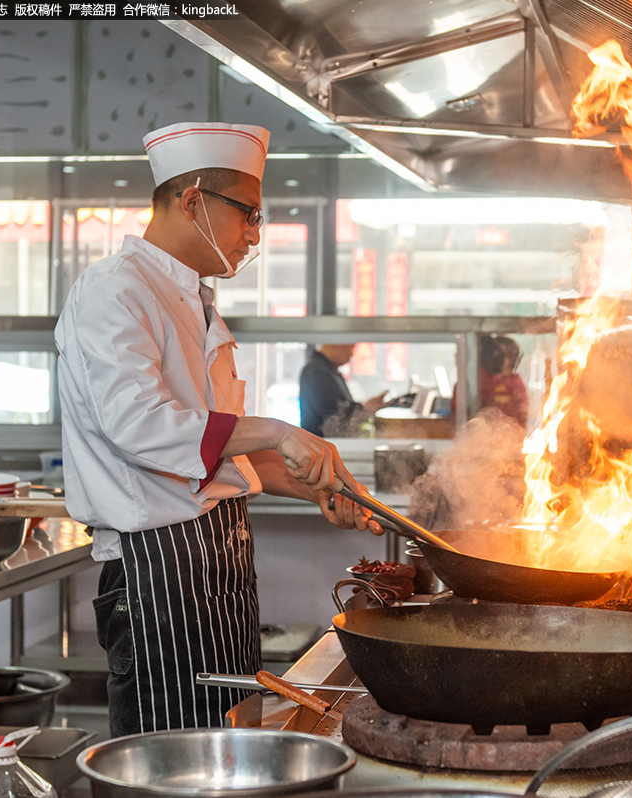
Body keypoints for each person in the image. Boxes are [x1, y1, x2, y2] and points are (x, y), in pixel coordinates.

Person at [55, 122, 381, 738]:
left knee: (228, 743)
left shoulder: (194, 300)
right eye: (249, 214)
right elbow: (140, 425)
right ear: (193, 200)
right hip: (158, 572)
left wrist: (315, 488)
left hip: (218, 556)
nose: (255, 234)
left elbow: (214, 454)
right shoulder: (114, 289)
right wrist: (279, 430)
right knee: (173, 760)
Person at [298, 344, 388, 437]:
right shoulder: (316, 371)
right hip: (322, 445)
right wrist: (365, 408)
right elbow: (334, 416)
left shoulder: (327, 370)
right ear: (336, 345)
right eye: (350, 347)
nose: (352, 354)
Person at [478, 336, 528, 426]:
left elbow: (521, 417)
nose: (496, 359)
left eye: (501, 355)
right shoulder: (486, 378)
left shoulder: (515, 384)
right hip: (484, 434)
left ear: (511, 358)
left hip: (508, 436)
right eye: (494, 354)